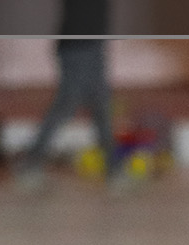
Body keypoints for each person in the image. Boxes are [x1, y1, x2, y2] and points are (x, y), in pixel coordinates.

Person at [15, 0, 118, 189]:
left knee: (101, 107)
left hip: (93, 46)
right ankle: (30, 165)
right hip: (76, 47)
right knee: (66, 106)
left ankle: (114, 170)